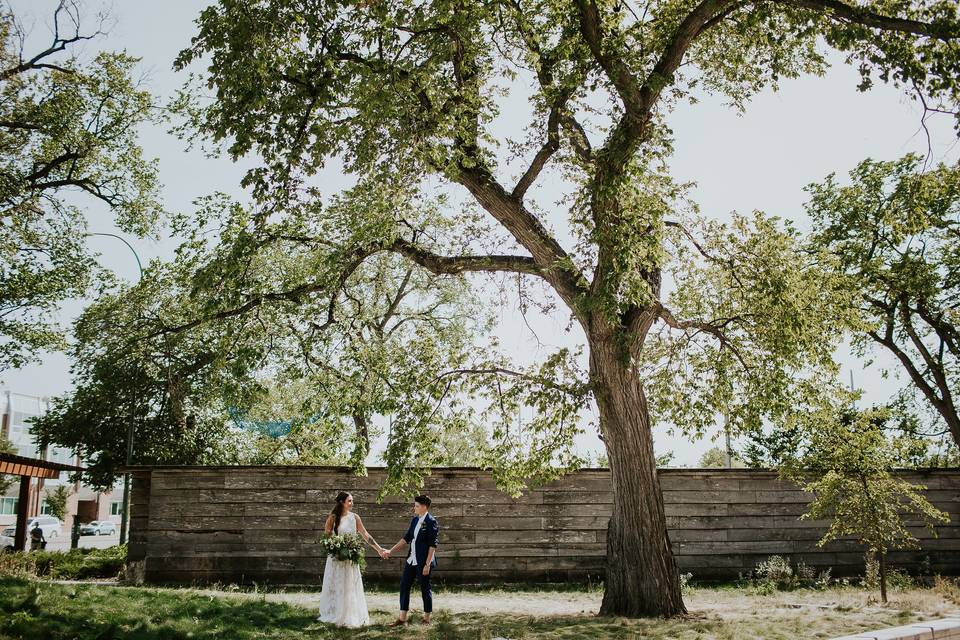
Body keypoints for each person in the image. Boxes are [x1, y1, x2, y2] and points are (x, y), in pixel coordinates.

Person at [317, 491, 386, 627]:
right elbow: (326, 537)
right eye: (349, 501)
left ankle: (350, 612)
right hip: (336, 559)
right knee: (336, 585)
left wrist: (379, 549)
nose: (352, 503)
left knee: (350, 586)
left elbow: (365, 535)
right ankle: (335, 611)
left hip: (350, 559)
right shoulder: (332, 517)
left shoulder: (355, 517)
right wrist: (335, 548)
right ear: (342, 502)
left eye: (352, 501)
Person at [383, 495, 440, 626]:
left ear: (424, 507)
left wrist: (427, 564)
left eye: (417, 506)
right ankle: (402, 619)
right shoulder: (415, 520)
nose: (414, 508)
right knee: (404, 586)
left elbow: (433, 545)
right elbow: (406, 538)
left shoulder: (432, 522)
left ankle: (426, 619)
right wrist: (390, 551)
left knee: (425, 588)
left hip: (423, 562)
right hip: (411, 560)